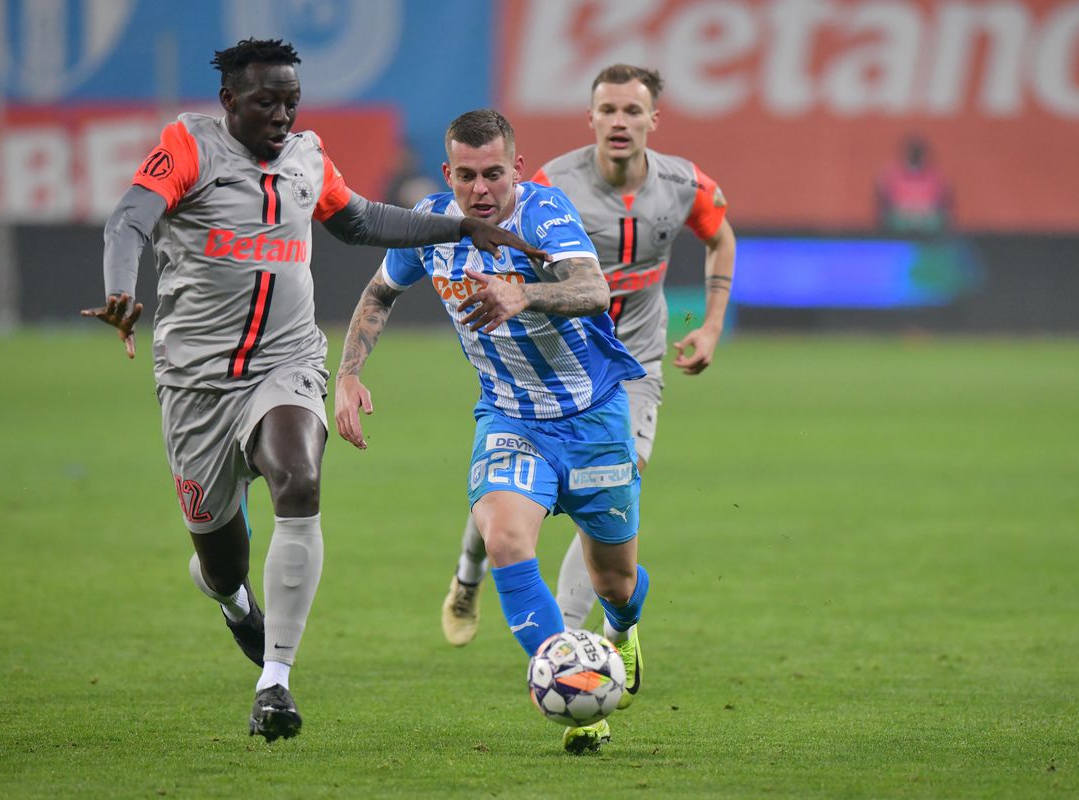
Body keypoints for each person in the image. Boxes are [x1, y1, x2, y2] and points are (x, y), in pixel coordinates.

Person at [80, 39, 542, 743]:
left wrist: (458, 224)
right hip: (196, 384)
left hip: (285, 360)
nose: (283, 114)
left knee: (298, 478)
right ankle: (235, 602)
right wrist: (119, 286)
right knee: (220, 562)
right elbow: (130, 219)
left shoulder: (305, 157)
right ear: (230, 100)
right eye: (267, 100)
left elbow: (358, 219)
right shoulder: (188, 146)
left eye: (292, 100)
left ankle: (275, 681)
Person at [334, 109, 649, 754]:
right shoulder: (430, 225)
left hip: (593, 417)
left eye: (495, 174)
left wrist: (524, 295)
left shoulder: (544, 214)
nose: (482, 190)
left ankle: (623, 629)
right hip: (511, 417)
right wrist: (348, 375)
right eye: (468, 176)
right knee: (506, 537)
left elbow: (593, 287)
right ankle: (578, 696)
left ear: (518, 170)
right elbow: (377, 293)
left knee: (616, 580)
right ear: (449, 173)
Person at [439, 64, 734, 678]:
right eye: (608, 110)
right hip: (549, 361)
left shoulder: (684, 183)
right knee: (505, 498)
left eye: (632, 110)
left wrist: (709, 323)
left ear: (655, 118)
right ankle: (486, 588)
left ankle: (593, 635)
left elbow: (720, 236)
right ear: (591, 117)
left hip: (632, 365)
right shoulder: (554, 185)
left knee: (605, 495)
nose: (619, 121)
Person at [876, 134, 952, 234]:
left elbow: (943, 204)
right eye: (912, 151)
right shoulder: (892, 175)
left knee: (936, 221)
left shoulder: (935, 176)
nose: (915, 154)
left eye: (918, 151)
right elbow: (884, 203)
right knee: (894, 220)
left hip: (928, 220)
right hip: (900, 219)